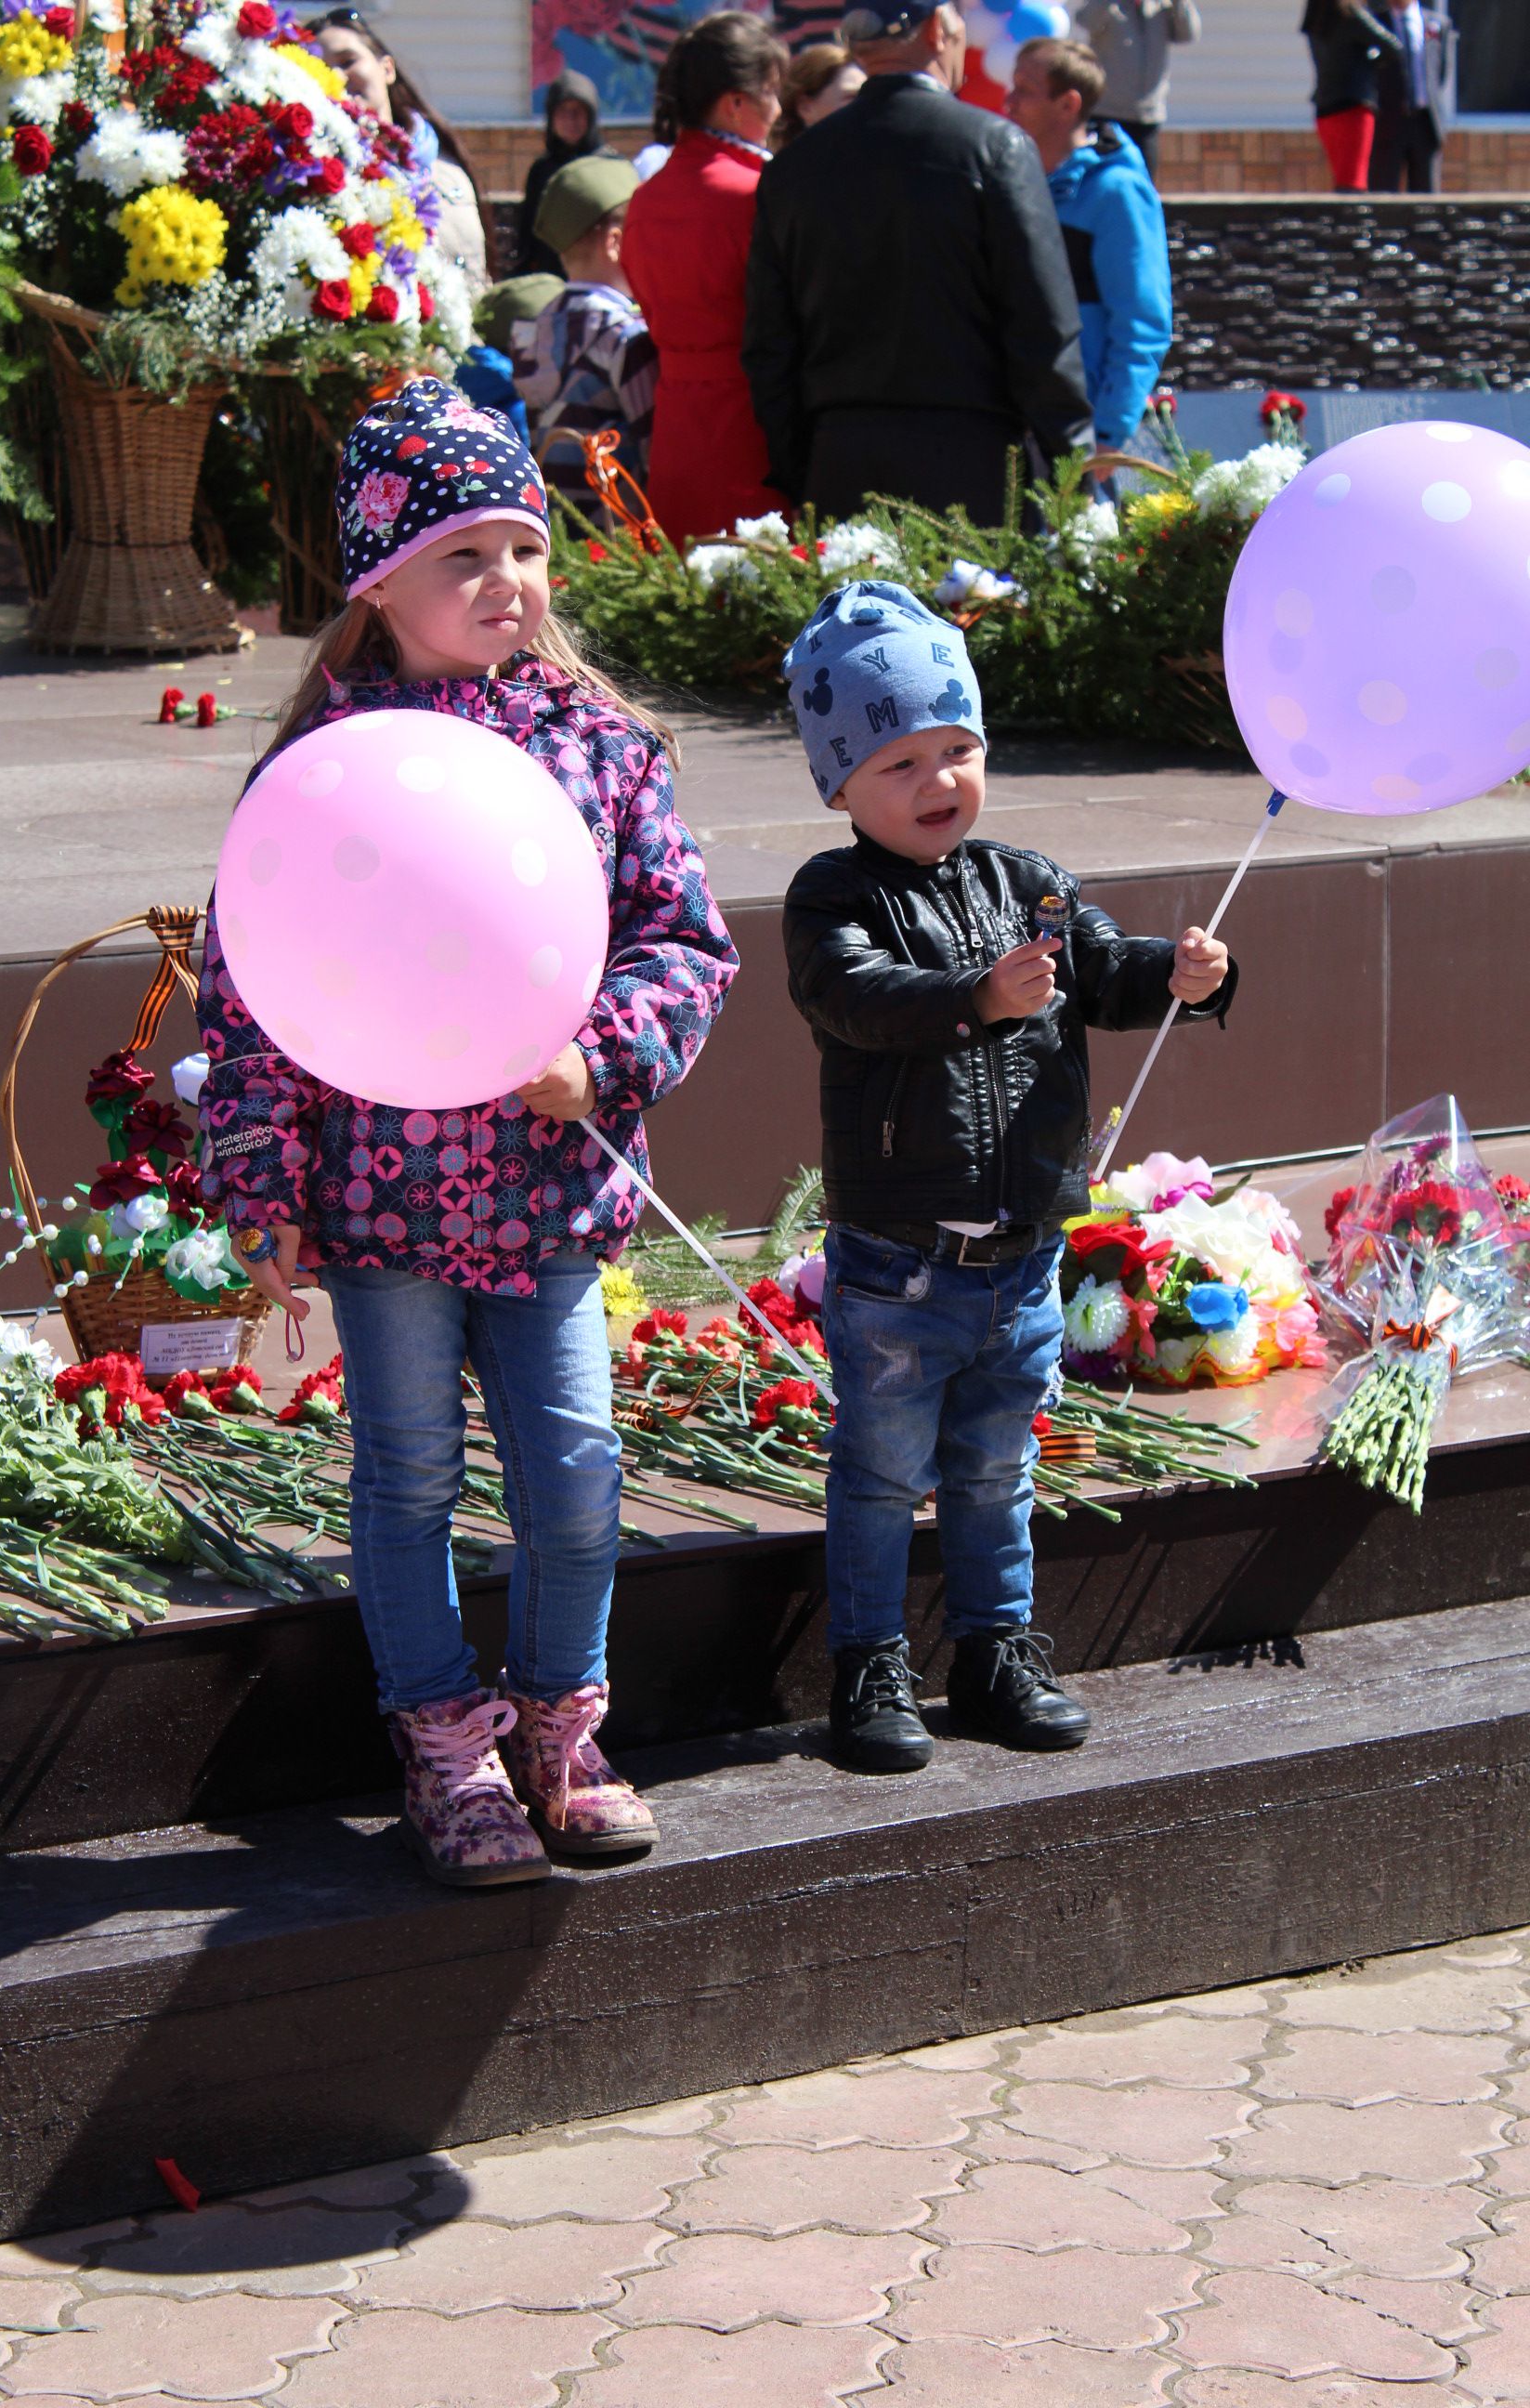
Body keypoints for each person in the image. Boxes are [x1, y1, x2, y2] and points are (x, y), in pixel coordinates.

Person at [197, 380, 738, 1887]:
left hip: (551, 1197)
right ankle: (443, 1742)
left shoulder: (595, 746)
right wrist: (259, 1187)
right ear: (379, 579)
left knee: (574, 1464)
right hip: (380, 1213)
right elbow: (246, 991)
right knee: (406, 1477)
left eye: (524, 546)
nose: (507, 582)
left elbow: (681, 944)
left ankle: (564, 1722)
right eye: (464, 556)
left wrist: (603, 1055)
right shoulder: (320, 768)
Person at [781, 583, 1236, 1773]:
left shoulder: (1025, 877)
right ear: (838, 785)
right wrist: (977, 997)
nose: (938, 782)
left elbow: (1100, 969)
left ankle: (996, 1649)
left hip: (1023, 1250)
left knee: (998, 1464)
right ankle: (871, 1661)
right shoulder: (834, 895)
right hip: (898, 1257)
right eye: (898, 763)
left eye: (958, 750)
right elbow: (855, 1001)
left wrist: (1178, 974)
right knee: (881, 1471)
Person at [743, 0, 1093, 528]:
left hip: (842, 462)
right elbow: (1043, 330)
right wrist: (1074, 478)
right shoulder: (996, 148)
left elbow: (770, 347)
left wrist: (803, 473)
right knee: (970, 613)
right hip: (974, 470)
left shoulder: (792, 169)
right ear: (937, 31)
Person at [621, 10, 791, 547]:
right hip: (752, 423)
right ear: (736, 102)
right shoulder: (757, 192)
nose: (779, 108)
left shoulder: (646, 198)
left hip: (677, 427)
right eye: (771, 91)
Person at [1006, 37, 1172, 455]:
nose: (1008, 102)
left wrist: (1110, 433)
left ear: (1068, 105)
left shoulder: (1117, 193)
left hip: (1081, 439)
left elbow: (1142, 320)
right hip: (1017, 429)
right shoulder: (1016, 185)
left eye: (1024, 90)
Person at [313, 8, 491, 295]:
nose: (336, 77)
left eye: (347, 61)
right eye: (321, 71)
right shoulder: (324, 182)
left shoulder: (446, 164)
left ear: (387, 68)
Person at [514, 156, 659, 507]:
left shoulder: (534, 327)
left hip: (559, 524)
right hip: (619, 532)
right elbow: (653, 448)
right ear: (614, 242)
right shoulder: (624, 334)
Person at [1073, 0, 1200, 185]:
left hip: (1147, 118)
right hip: (1106, 116)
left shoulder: (1161, 8)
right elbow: (1085, 20)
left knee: (1143, 186)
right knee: (1102, 186)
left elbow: (1188, 34)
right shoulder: (1111, 7)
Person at [516, 71, 618, 279]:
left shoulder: (611, 167)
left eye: (578, 112)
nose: (571, 120)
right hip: (551, 281)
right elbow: (529, 235)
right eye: (563, 112)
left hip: (601, 280)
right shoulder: (542, 171)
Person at [1301, 0, 1404, 192]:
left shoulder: (1315, 17)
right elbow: (1394, 47)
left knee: (1342, 178)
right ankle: (1351, 222)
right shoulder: (1351, 15)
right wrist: (1370, 60)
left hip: (1325, 109)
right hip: (1353, 107)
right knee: (1353, 182)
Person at [1369, 0, 1453, 192]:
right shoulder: (1375, 22)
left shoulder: (1438, 24)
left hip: (1425, 122)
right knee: (1383, 195)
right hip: (1387, 123)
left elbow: (1440, 72)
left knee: (1426, 201)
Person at [770, 41, 866, 147]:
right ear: (806, 107)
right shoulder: (787, 162)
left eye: (868, 95)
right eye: (851, 98)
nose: (867, 105)